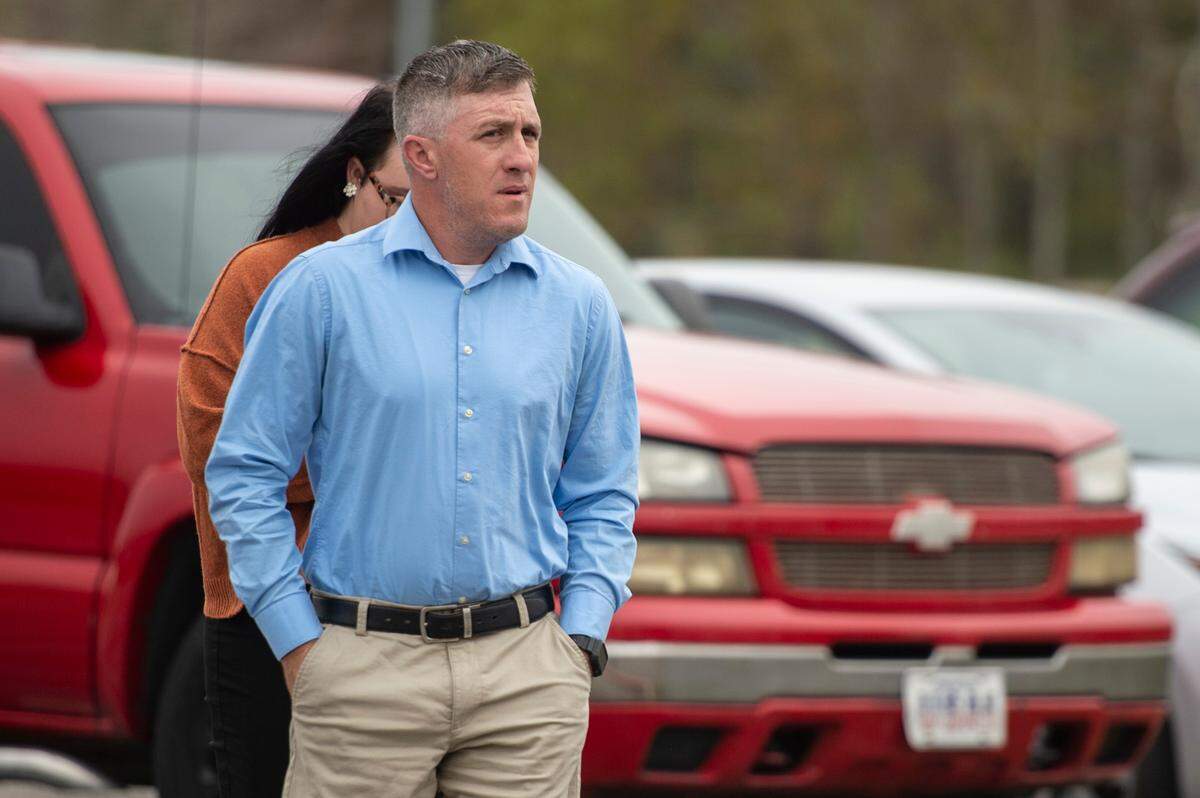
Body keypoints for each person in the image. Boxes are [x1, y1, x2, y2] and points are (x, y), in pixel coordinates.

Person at [204, 40, 639, 797]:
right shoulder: (320, 290)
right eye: (493, 135)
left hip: (529, 678)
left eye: (529, 134)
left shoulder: (579, 305)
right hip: (359, 672)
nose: (521, 159)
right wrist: (299, 647)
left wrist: (582, 638)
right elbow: (243, 473)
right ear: (422, 157)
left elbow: (604, 490)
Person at [175, 81, 410, 798]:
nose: (408, 223)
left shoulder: (437, 282)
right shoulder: (265, 275)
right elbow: (216, 448)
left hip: (402, 617)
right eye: (394, 199)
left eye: (428, 206)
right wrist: (369, 468)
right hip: (271, 602)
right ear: (353, 174)